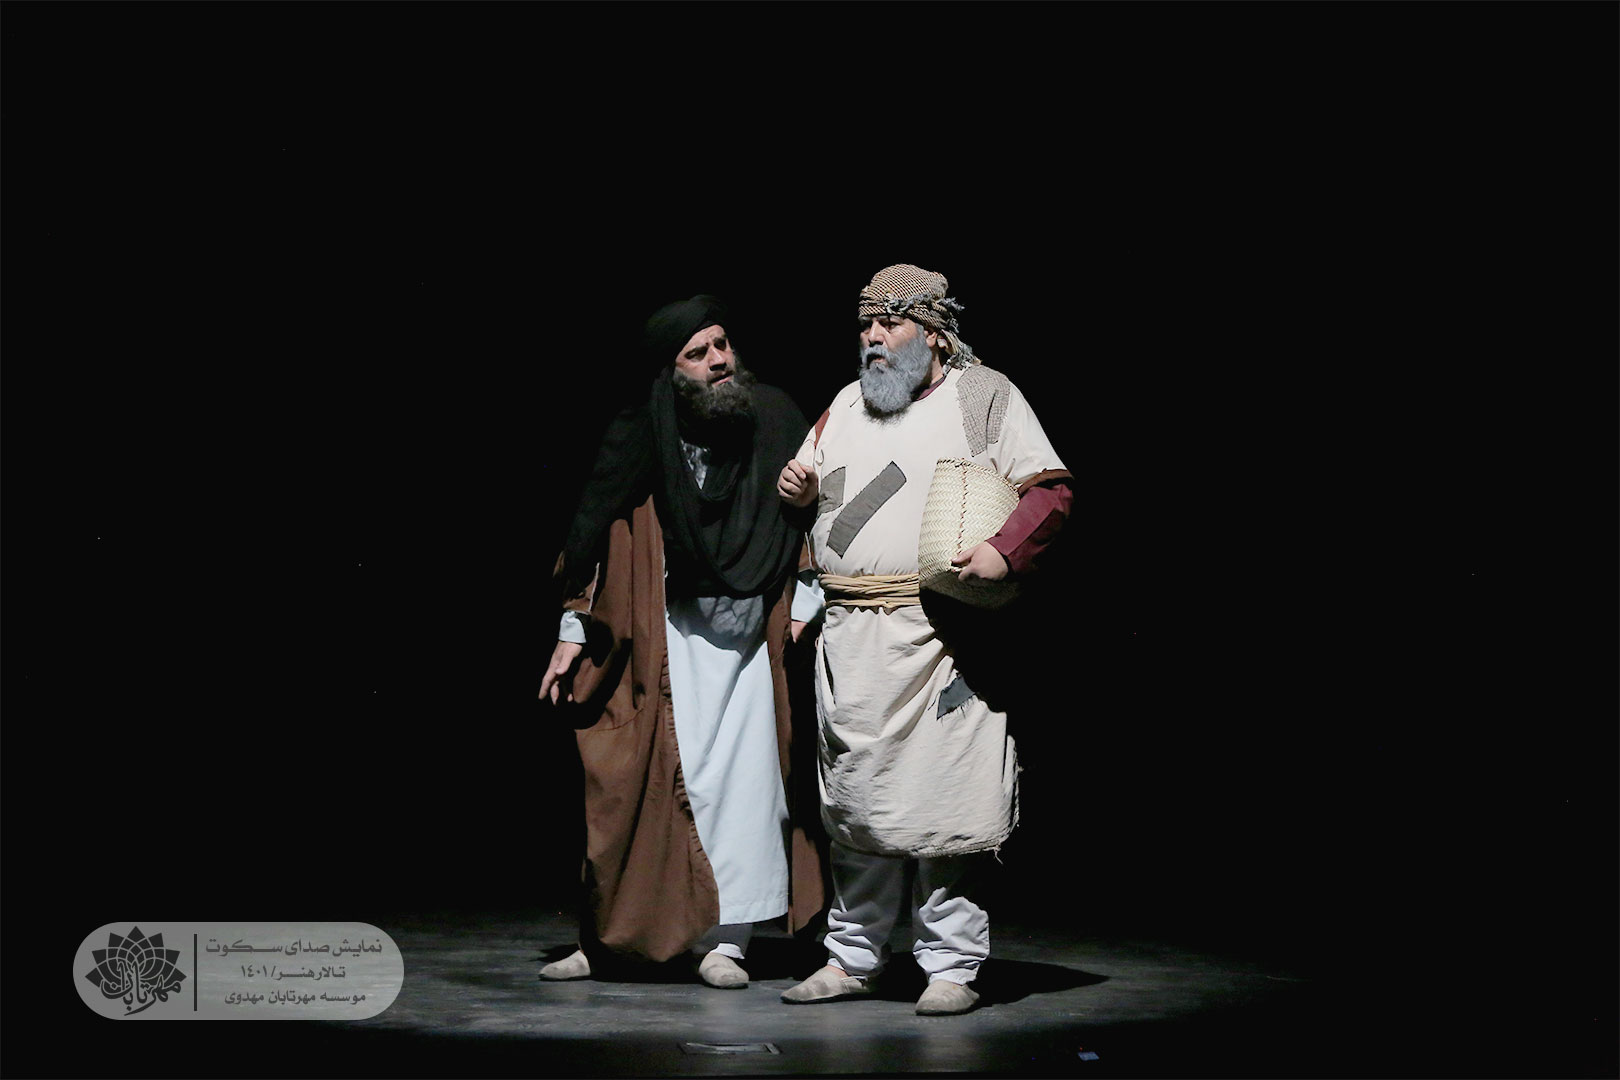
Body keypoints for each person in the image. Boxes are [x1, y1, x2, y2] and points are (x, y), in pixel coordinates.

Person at [775, 264, 1072, 1015]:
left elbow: (1049, 490)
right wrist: (798, 492)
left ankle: (950, 967)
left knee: (945, 805)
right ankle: (854, 957)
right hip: (852, 638)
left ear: (934, 333)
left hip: (945, 637)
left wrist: (1004, 550)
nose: (873, 337)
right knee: (860, 805)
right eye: (865, 325)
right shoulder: (846, 403)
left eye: (891, 322)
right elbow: (818, 495)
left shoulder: (983, 396)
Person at [538, 295, 825, 989]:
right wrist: (573, 629)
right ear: (671, 372)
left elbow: (821, 516)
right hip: (663, 636)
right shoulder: (645, 432)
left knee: (747, 788)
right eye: (697, 354)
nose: (718, 360)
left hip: (753, 639)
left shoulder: (775, 417)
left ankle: (728, 943)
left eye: (721, 344)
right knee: (634, 788)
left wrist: (807, 598)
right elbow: (595, 532)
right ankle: (610, 939)